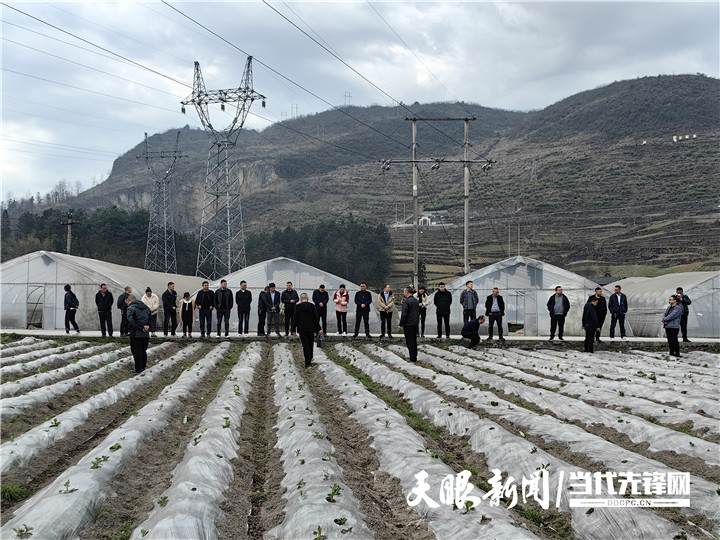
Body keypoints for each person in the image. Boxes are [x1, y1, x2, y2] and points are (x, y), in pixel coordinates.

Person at [294, 292, 322, 368]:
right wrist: (319, 328)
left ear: (300, 299)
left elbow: (295, 319)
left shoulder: (297, 307)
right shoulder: (312, 306)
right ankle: (309, 359)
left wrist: (293, 329)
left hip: (302, 329)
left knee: (305, 345)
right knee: (310, 344)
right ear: (308, 298)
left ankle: (307, 363)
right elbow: (315, 319)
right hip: (311, 329)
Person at [125, 294, 151, 373]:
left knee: (136, 351)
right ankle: (143, 367)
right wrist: (147, 326)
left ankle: (138, 368)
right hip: (145, 334)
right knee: (143, 350)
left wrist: (141, 327)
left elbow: (132, 321)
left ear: (130, 301)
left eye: (127, 302)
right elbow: (151, 318)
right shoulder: (146, 308)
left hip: (136, 334)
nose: (127, 304)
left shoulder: (131, 309)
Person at [399, 287, 420, 362]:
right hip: (415, 323)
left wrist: (401, 324)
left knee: (409, 341)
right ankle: (415, 356)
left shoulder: (407, 301)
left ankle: (412, 358)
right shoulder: (416, 301)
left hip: (408, 324)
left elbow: (404, 313)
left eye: (404, 291)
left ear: (407, 292)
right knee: (414, 340)